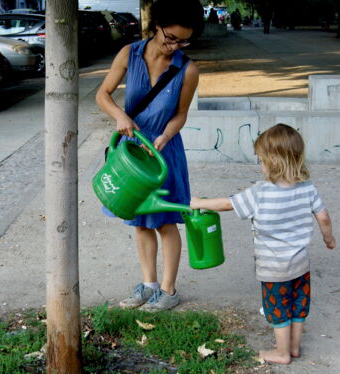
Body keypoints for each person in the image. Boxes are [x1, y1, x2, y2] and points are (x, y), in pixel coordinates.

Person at [190, 124, 336, 364]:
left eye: (261, 160)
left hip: (273, 270)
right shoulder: (307, 188)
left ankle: (281, 353)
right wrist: (328, 238)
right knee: (298, 308)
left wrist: (199, 203)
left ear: (273, 162)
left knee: (278, 311)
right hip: (301, 265)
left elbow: (228, 204)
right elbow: (324, 216)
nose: (260, 165)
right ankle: (295, 347)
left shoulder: (260, 192)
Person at [96, 0, 204, 311]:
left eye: (184, 40)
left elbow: (180, 114)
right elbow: (102, 94)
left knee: (165, 222)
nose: (175, 46)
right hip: (130, 154)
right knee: (140, 221)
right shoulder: (129, 54)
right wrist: (119, 116)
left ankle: (168, 291)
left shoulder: (188, 69)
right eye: (171, 37)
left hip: (162, 154)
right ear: (156, 25)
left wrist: (165, 136)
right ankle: (148, 285)